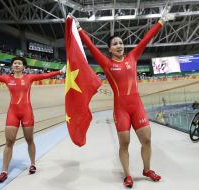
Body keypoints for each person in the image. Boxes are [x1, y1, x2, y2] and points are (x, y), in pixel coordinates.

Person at [71, 11, 174, 188]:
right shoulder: (107, 64)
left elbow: (145, 40)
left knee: (147, 140)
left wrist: (161, 21)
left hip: (137, 107)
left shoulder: (132, 58)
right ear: (110, 49)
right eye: (115, 44)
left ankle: (147, 169)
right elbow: (91, 47)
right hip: (121, 109)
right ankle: (128, 175)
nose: (119, 45)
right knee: (124, 143)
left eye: (121, 43)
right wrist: (79, 29)